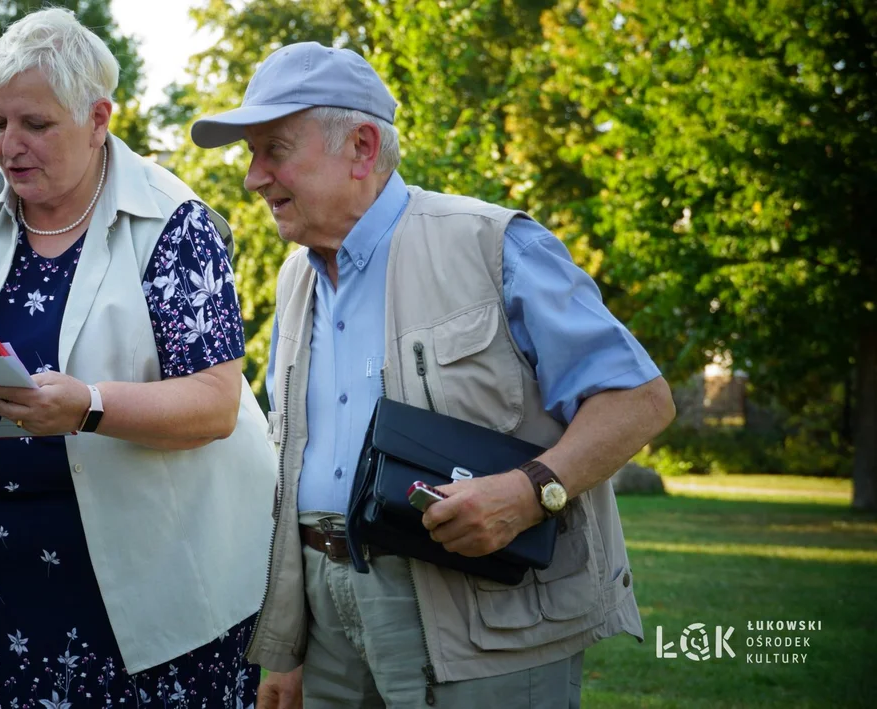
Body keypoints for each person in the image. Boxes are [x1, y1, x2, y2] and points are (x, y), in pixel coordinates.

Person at [191, 42, 677, 708]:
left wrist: (530, 492)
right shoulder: (294, 276)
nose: (252, 177)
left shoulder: (492, 243)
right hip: (328, 621)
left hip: (481, 620)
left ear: (362, 147)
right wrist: (292, 643)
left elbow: (640, 399)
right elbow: (295, 463)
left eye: (273, 149)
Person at [0, 9, 275, 707]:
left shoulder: (174, 221)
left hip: (142, 614)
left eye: (35, 125)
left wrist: (90, 405)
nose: (8, 146)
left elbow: (215, 402)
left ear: (99, 117)